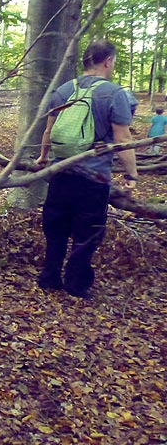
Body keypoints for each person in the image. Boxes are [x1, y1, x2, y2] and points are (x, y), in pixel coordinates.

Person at [36, 39, 138, 299]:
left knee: (56, 227)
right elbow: (124, 139)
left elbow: (49, 130)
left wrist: (43, 157)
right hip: (93, 178)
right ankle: (76, 283)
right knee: (88, 232)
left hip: (60, 172)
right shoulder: (114, 94)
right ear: (108, 61)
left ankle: (50, 276)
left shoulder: (63, 90)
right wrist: (132, 175)